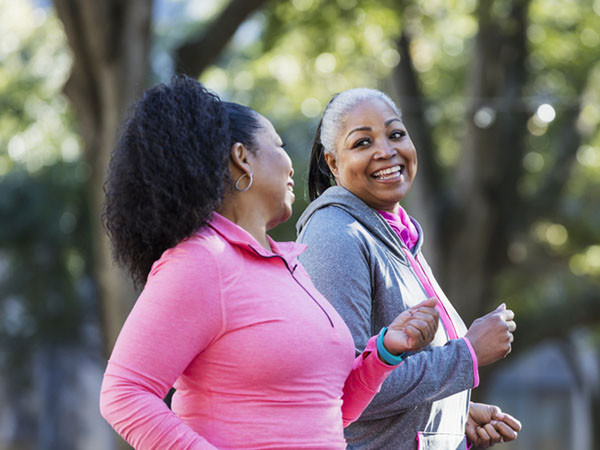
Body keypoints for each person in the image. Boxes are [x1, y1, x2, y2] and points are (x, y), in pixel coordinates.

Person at [98, 76, 441, 449]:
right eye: (278, 146)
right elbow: (124, 393)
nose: (292, 166)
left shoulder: (288, 265)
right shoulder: (200, 261)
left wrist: (386, 350)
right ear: (242, 158)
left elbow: (327, 408)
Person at [296, 88, 522, 450]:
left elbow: (397, 378)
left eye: (395, 134)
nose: (386, 151)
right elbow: (345, 386)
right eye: (362, 142)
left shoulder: (396, 233)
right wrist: (467, 354)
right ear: (333, 163)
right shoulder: (336, 235)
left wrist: (452, 413)